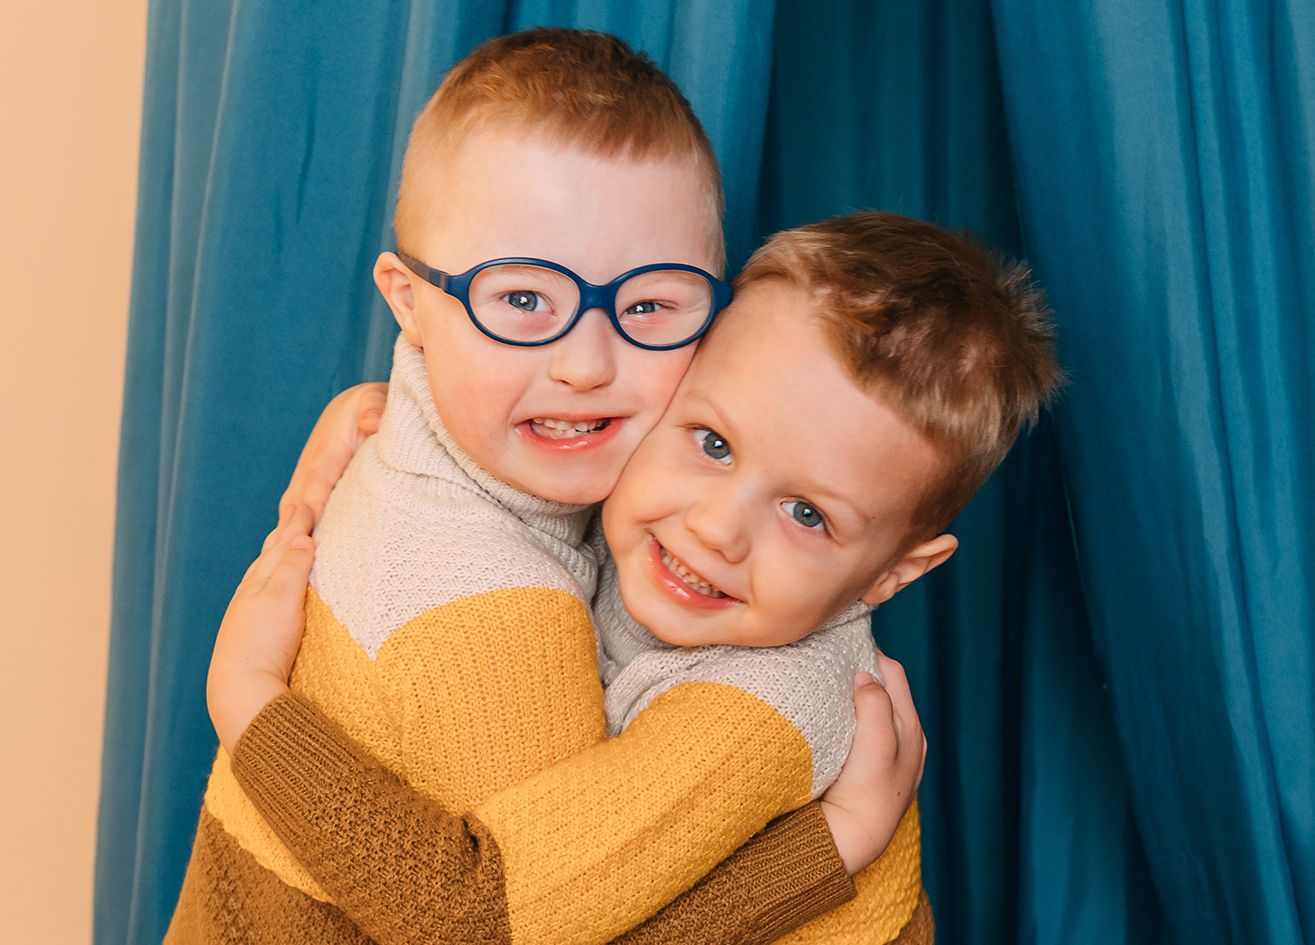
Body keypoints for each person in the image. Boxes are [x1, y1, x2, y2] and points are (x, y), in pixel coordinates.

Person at [166, 29, 924, 945]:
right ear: (409, 302)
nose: (585, 364)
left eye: (648, 304)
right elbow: (493, 922)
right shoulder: (499, 622)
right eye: (523, 299)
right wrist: (246, 698)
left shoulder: (476, 454)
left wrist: (365, 408)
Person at [203, 211, 1061, 945]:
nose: (715, 528)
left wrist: (247, 694)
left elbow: (476, 922)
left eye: (807, 514)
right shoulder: (657, 521)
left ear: (893, 573)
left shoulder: (768, 707)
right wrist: (377, 408)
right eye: (714, 442)